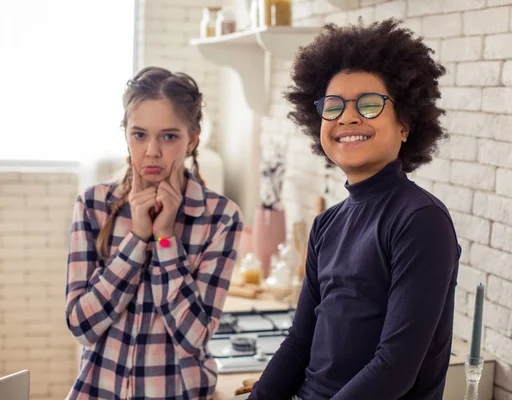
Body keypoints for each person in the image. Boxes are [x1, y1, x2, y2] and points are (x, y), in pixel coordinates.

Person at [247, 19, 461, 400]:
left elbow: (394, 369)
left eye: (370, 103)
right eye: (333, 106)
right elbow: (299, 343)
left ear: (405, 124)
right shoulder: (327, 224)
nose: (347, 117)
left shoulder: (421, 221)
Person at [65, 66, 243, 399]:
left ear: (192, 139)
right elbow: (81, 326)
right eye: (140, 134)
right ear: (126, 135)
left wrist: (164, 239)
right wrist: (136, 240)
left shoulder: (221, 218)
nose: (152, 151)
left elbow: (193, 338)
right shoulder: (92, 205)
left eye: (169, 136)